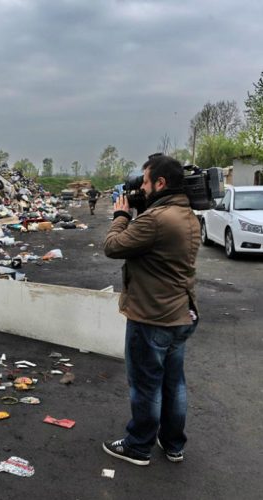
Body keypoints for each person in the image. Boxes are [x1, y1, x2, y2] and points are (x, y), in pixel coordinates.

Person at [102, 154, 200, 466]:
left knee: (146, 385)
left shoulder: (155, 220)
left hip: (152, 316)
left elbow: (113, 246)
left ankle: (138, 445)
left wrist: (121, 215)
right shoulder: (185, 215)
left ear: (160, 183)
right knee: (174, 383)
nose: (140, 187)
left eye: (145, 182)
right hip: (179, 312)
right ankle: (173, 444)